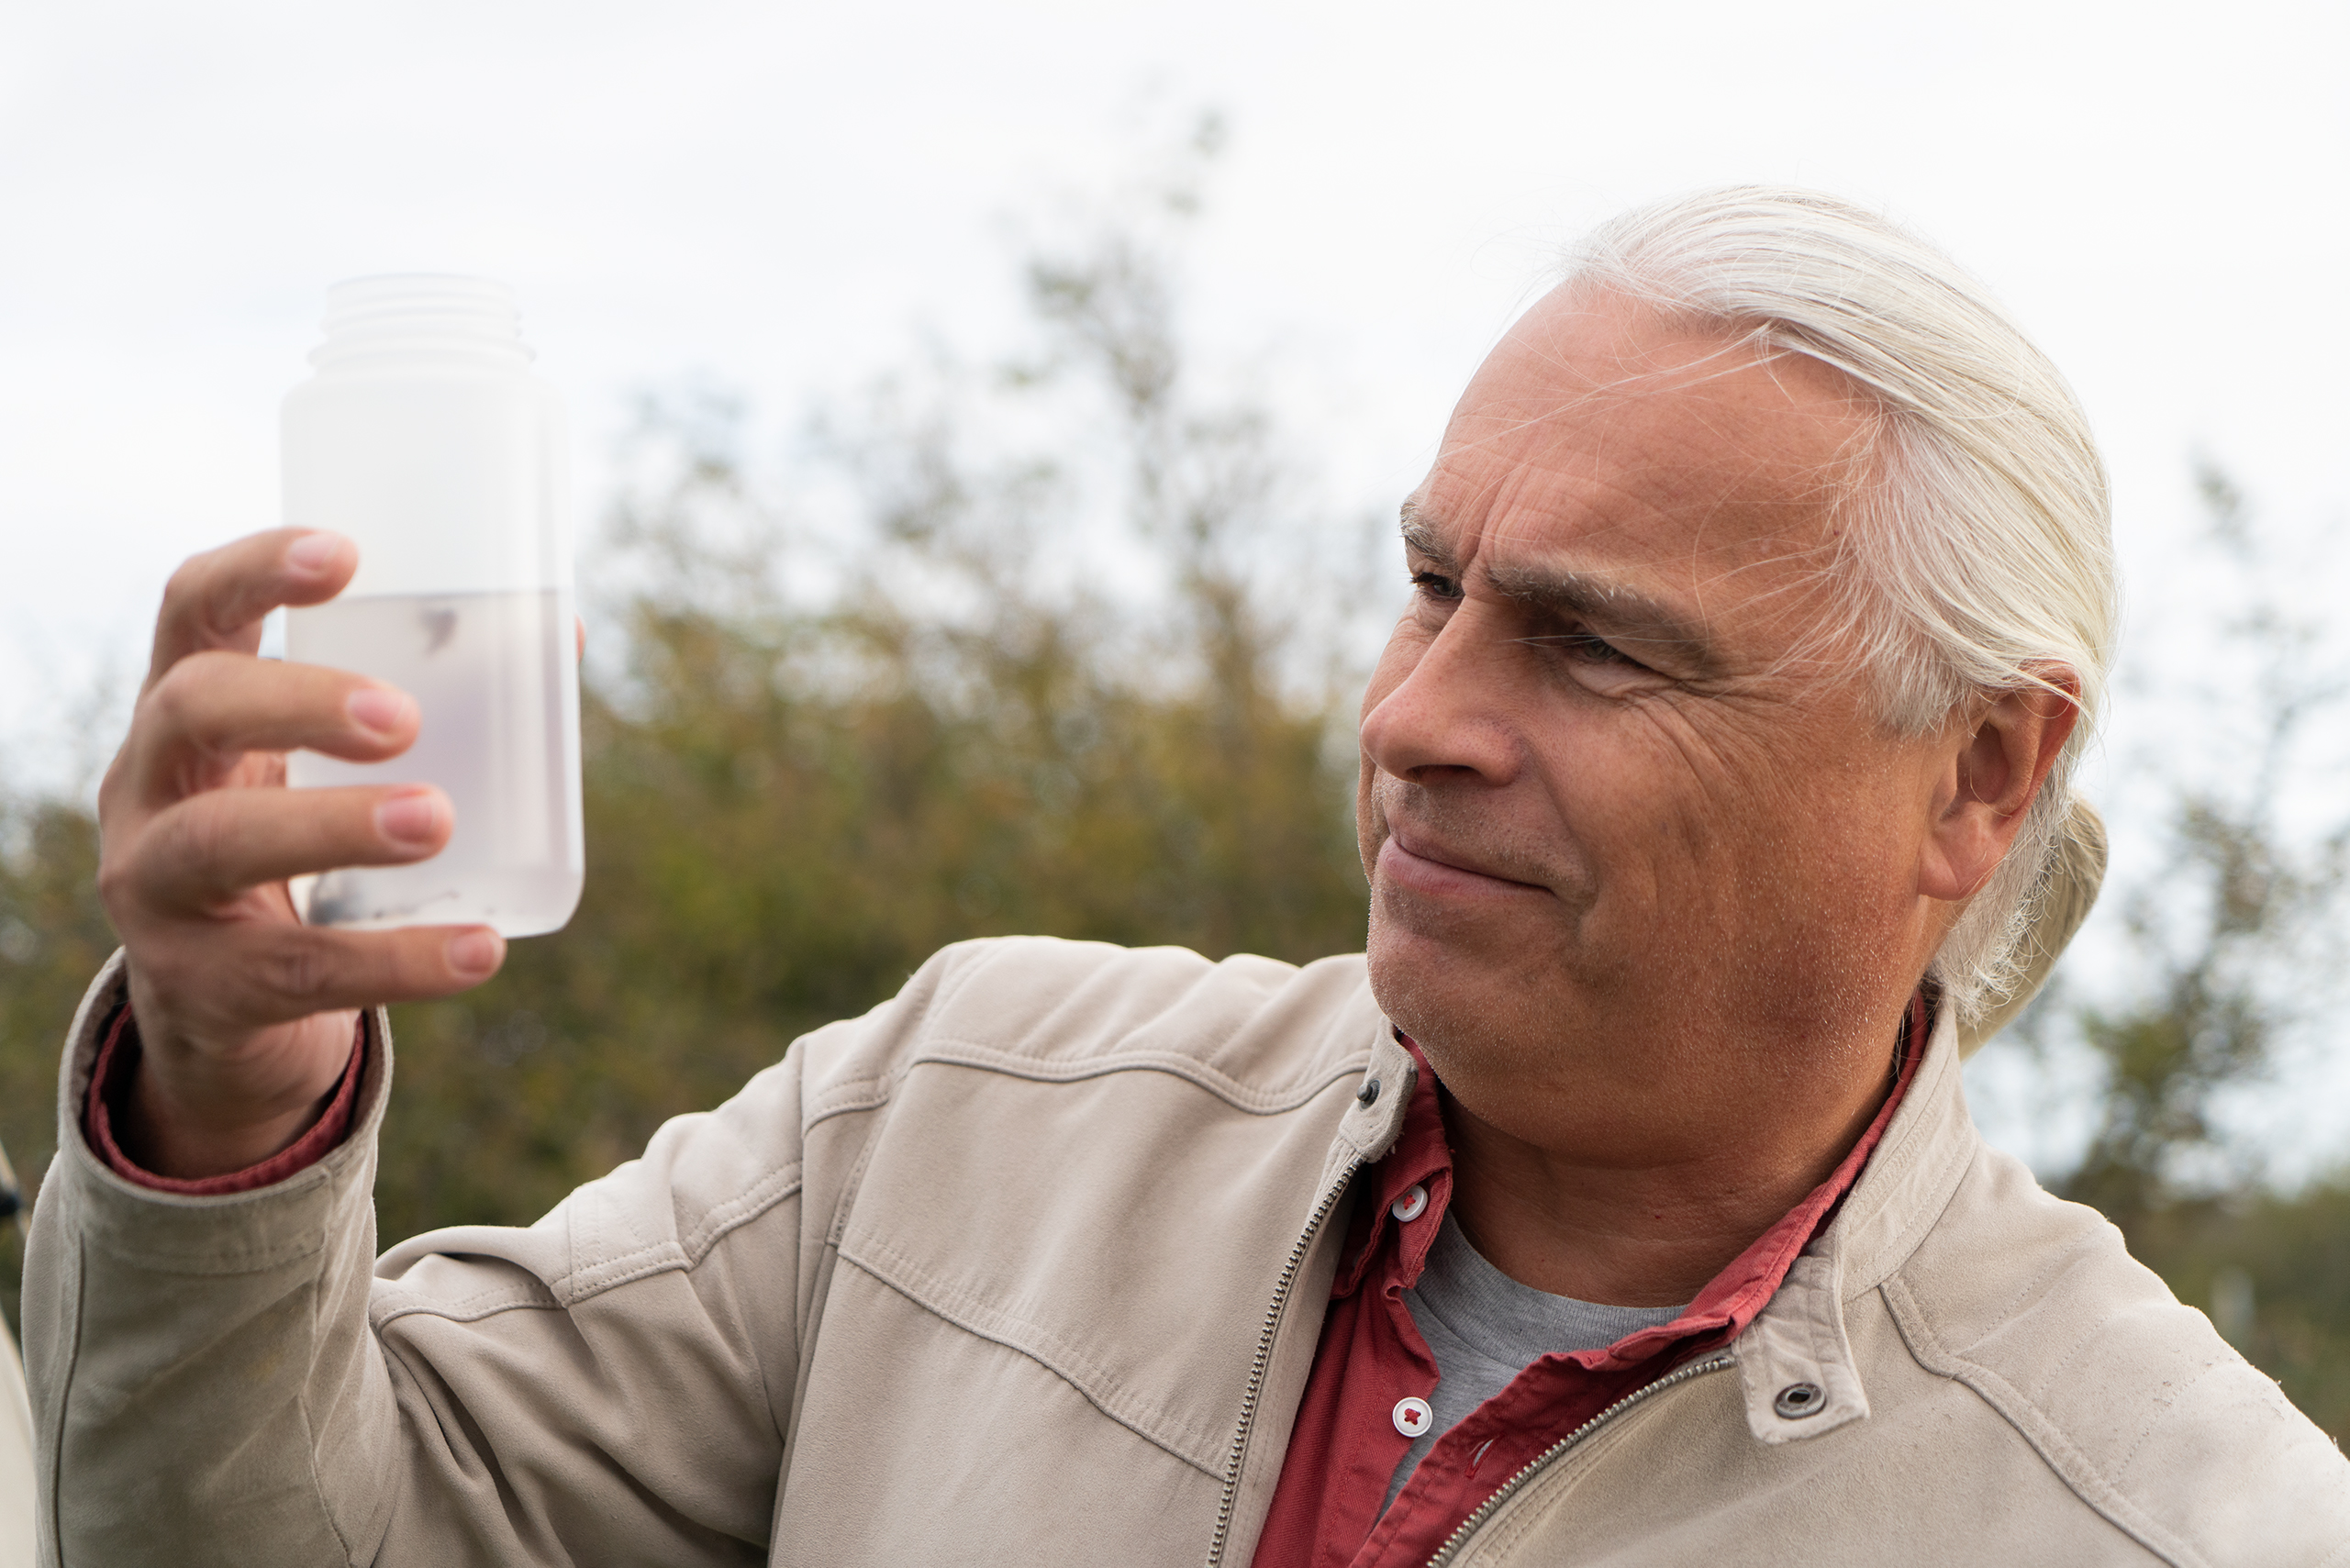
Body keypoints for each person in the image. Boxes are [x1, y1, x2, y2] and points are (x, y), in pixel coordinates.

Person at [24, 188, 2350, 1567]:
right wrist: (225, 1116)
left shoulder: (2180, 1521)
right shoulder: (958, 1111)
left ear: (1979, 774)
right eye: (1430, 585)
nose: (1418, 711)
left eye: (1593, 644)